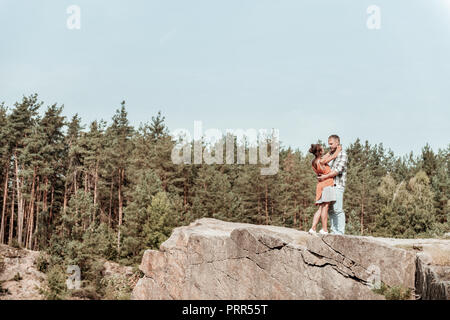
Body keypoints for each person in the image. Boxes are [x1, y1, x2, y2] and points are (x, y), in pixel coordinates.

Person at [317, 135, 348, 235]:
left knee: (338, 209)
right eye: (329, 144)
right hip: (328, 185)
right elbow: (322, 160)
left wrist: (324, 177)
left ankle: (340, 232)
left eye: (331, 144)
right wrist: (331, 152)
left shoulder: (343, 154)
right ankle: (333, 231)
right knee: (330, 210)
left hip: (337, 185)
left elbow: (337, 171)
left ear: (337, 143)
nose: (329, 146)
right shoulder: (331, 154)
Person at [308, 143, 342, 235]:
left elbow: (327, 155)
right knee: (325, 208)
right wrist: (338, 149)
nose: (324, 150)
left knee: (320, 208)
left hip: (320, 185)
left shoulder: (314, 161)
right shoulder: (322, 161)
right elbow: (334, 156)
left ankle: (313, 228)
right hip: (327, 184)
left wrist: (330, 151)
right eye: (322, 149)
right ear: (319, 152)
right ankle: (325, 229)